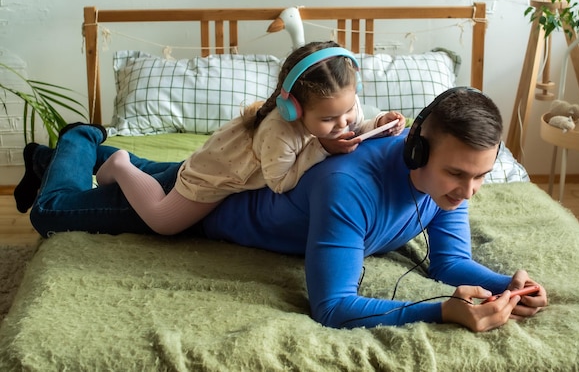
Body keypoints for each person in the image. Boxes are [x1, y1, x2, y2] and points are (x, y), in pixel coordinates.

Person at [20, 86, 548, 331]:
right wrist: (440, 310)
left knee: (153, 173)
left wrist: (507, 283)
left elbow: (449, 263)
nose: (468, 192)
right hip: (205, 206)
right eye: (458, 175)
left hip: (214, 175)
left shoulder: (451, 185)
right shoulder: (348, 188)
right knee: (54, 212)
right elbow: (333, 306)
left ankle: (106, 159)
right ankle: (81, 139)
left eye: (481, 175)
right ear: (416, 148)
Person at [91, 41, 405, 234]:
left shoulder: (344, 104)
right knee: (162, 221)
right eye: (328, 119)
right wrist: (322, 147)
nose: (343, 123)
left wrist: (381, 122)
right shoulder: (278, 131)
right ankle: (121, 164)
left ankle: (142, 169)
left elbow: (356, 126)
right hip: (214, 175)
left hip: (238, 161)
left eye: (348, 109)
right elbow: (280, 182)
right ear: (293, 109)